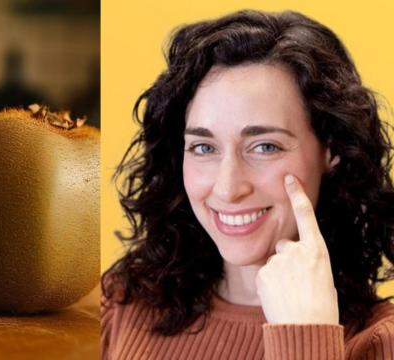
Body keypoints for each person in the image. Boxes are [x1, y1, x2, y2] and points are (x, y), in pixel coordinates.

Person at [102, 10, 394, 359]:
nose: (228, 188)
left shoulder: (380, 343)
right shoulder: (120, 305)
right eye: (204, 147)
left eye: (264, 147)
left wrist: (306, 339)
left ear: (332, 151)